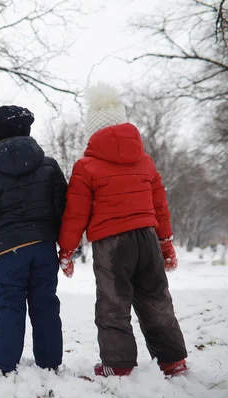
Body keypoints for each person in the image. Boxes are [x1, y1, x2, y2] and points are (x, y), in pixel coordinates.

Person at [57, 83, 188, 377]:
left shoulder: (86, 166)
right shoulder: (145, 162)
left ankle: (118, 364)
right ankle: (172, 359)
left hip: (111, 244)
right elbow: (160, 206)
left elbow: (75, 213)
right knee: (156, 298)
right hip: (147, 237)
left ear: (93, 130)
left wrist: (67, 249)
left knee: (113, 303)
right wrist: (165, 242)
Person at [0, 105, 68, 374]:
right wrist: (69, 245)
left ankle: (3, 363)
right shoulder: (48, 166)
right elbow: (64, 208)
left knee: (9, 306)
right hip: (44, 248)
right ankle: (50, 363)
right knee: (45, 304)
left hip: (10, 253)